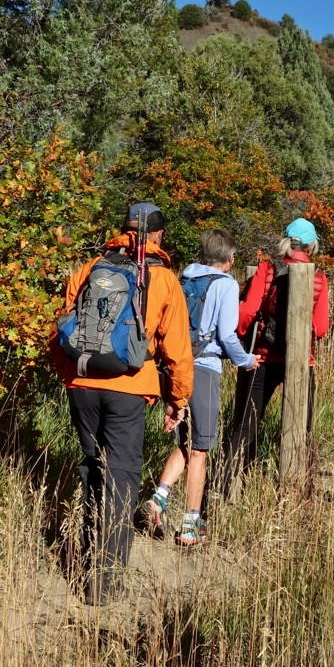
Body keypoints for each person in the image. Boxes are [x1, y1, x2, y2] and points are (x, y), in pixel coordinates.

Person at [52, 203, 192, 603]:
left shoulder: (89, 269)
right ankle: (104, 584)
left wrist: (71, 376)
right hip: (131, 386)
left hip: (81, 383)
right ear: (158, 236)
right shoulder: (163, 279)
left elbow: (64, 324)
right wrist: (177, 399)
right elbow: (178, 350)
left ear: (123, 232)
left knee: (93, 471)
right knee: (121, 479)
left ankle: (86, 568)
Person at [142, 229, 257, 547]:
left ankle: (158, 500)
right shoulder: (227, 285)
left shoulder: (184, 278)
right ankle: (191, 525)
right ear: (229, 258)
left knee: (185, 441)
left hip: (173, 368)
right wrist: (246, 360)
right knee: (200, 449)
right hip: (204, 370)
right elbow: (227, 334)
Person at [218, 217, 330, 492]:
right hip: (303, 361)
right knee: (300, 430)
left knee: (244, 427)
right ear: (312, 245)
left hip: (261, 358)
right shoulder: (318, 277)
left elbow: (246, 311)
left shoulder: (267, 269)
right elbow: (322, 328)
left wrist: (244, 338)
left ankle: (228, 489)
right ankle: (296, 493)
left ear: (285, 241)